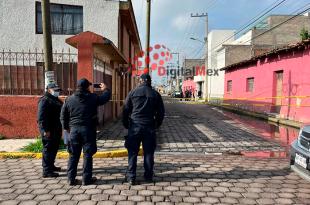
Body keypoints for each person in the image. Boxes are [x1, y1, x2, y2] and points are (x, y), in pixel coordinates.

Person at [60, 78, 111, 186]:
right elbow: (105, 98)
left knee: (73, 155)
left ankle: (70, 179)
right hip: (88, 130)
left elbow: (63, 116)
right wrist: (106, 89)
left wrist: (66, 128)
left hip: (74, 130)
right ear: (87, 87)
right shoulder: (93, 98)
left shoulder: (69, 99)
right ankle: (86, 179)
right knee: (87, 155)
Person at [122, 73, 165, 185]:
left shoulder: (132, 92)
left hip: (134, 127)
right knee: (149, 152)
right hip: (149, 126)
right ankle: (148, 176)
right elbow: (161, 113)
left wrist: (126, 124)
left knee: (132, 152)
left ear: (140, 81)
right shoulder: (155, 94)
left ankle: (131, 177)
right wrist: (157, 124)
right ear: (149, 82)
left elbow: (125, 110)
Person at [37, 83, 63, 178]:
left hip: (56, 129)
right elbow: (41, 117)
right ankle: (46, 171)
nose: (57, 92)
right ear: (49, 90)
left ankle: (51, 165)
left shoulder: (55, 99)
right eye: (55, 90)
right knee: (48, 149)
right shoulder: (44, 100)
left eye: (58, 90)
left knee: (54, 148)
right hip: (49, 130)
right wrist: (45, 130)